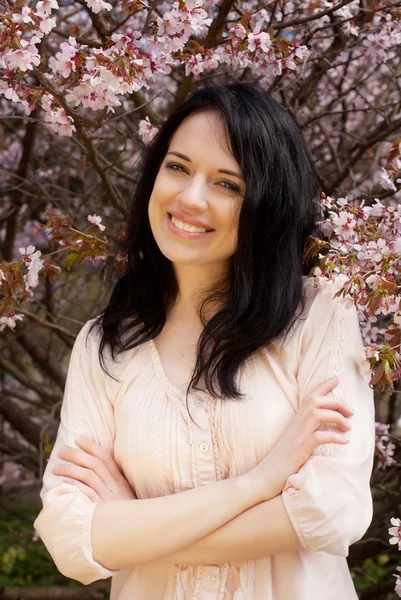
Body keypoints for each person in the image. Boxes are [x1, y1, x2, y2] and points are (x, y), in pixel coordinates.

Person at [33, 80, 376, 600]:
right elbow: (67, 537)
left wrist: (129, 525)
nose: (190, 198)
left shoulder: (319, 315)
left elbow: (331, 511)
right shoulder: (104, 345)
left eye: (228, 184)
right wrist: (260, 484)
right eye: (177, 167)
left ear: (267, 204)